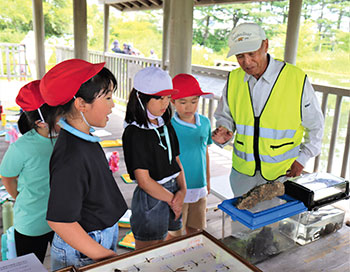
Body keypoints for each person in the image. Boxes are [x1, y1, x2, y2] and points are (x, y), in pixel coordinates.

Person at [212, 22, 324, 197]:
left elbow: (316, 126)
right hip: (242, 175)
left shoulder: (296, 79)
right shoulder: (233, 79)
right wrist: (224, 129)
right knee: (242, 222)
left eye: (251, 53)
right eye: (240, 56)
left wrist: (302, 159)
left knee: (278, 224)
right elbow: (225, 115)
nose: (246, 62)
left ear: (265, 45)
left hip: (282, 174)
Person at [39, 59, 128, 270]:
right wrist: (104, 255)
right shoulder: (71, 155)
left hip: (97, 237)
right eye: (107, 97)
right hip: (85, 249)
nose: (113, 104)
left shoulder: (83, 137)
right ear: (81, 104)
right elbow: (59, 220)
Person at [122, 66, 186, 249]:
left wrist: (182, 191)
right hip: (152, 198)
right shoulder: (134, 133)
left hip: (174, 191)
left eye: (168, 97)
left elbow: (176, 160)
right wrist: (173, 200)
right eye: (158, 97)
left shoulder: (166, 124)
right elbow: (144, 180)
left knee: (172, 247)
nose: (165, 103)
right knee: (149, 252)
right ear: (141, 98)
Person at [0, 80, 61, 263]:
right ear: (40, 122)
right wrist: (19, 196)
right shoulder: (21, 147)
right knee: (31, 265)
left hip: (63, 221)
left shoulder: (66, 139)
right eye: (61, 114)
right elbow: (8, 177)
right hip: (31, 224)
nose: (67, 116)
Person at [168, 74, 213, 237]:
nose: (189, 107)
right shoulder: (169, 127)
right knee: (176, 233)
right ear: (172, 102)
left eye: (194, 101)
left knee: (197, 228)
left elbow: (205, 152)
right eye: (183, 102)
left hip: (200, 185)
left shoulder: (205, 123)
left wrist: (208, 181)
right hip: (178, 189)